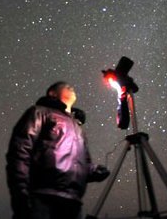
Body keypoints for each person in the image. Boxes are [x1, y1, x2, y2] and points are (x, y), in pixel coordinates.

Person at [6, 81, 110, 219]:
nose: (70, 86)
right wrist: (20, 192)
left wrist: (93, 170)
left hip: (73, 203)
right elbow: (20, 151)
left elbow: (82, 161)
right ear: (52, 93)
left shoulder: (77, 127)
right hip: (42, 198)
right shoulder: (39, 112)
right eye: (65, 86)